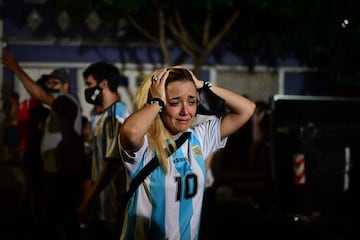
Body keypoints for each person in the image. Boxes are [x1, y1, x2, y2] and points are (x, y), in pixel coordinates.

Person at [119, 66, 256, 240]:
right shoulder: (145, 143)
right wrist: (156, 102)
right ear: (159, 102)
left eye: (192, 101)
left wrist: (202, 84)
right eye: (175, 102)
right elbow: (130, 132)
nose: (185, 111)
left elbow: (247, 109)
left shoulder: (198, 137)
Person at [2, 52, 84, 240]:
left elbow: (41, 95)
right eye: (49, 83)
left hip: (61, 172)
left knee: (54, 220)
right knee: (61, 218)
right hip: (55, 170)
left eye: (55, 83)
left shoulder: (66, 100)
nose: (49, 87)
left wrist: (15, 69)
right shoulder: (56, 108)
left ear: (65, 86)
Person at [78, 61, 130, 240]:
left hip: (112, 208)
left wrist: (88, 200)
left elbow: (111, 164)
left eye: (90, 84)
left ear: (104, 84)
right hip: (101, 205)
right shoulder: (103, 115)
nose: (87, 89)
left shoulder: (116, 117)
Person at [17, 75, 50, 229]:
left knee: (29, 186)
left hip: (24, 148)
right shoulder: (38, 108)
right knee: (36, 188)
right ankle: (36, 222)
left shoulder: (23, 104)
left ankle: (23, 217)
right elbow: (41, 128)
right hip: (34, 150)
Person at [2, 91, 20, 162]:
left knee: (6, 144)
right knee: (15, 144)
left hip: (12, 126)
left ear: (13, 98)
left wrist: (4, 123)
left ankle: (6, 158)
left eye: (11, 98)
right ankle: (15, 158)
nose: (9, 99)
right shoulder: (18, 104)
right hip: (15, 126)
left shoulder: (14, 105)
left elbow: (12, 116)